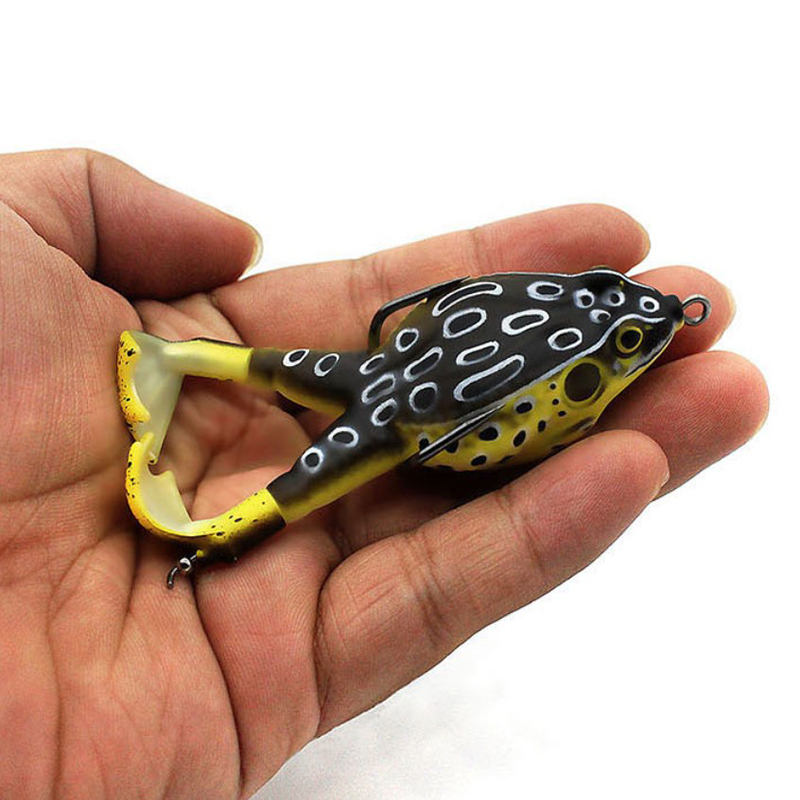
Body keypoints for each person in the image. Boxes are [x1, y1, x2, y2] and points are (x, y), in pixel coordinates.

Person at [0, 149, 768, 800]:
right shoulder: (562, 338)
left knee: (287, 384)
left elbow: (472, 324)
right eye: (628, 332)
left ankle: (176, 363)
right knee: (309, 469)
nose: (641, 336)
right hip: (407, 412)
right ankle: (193, 464)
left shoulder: (563, 312)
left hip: (395, 373)